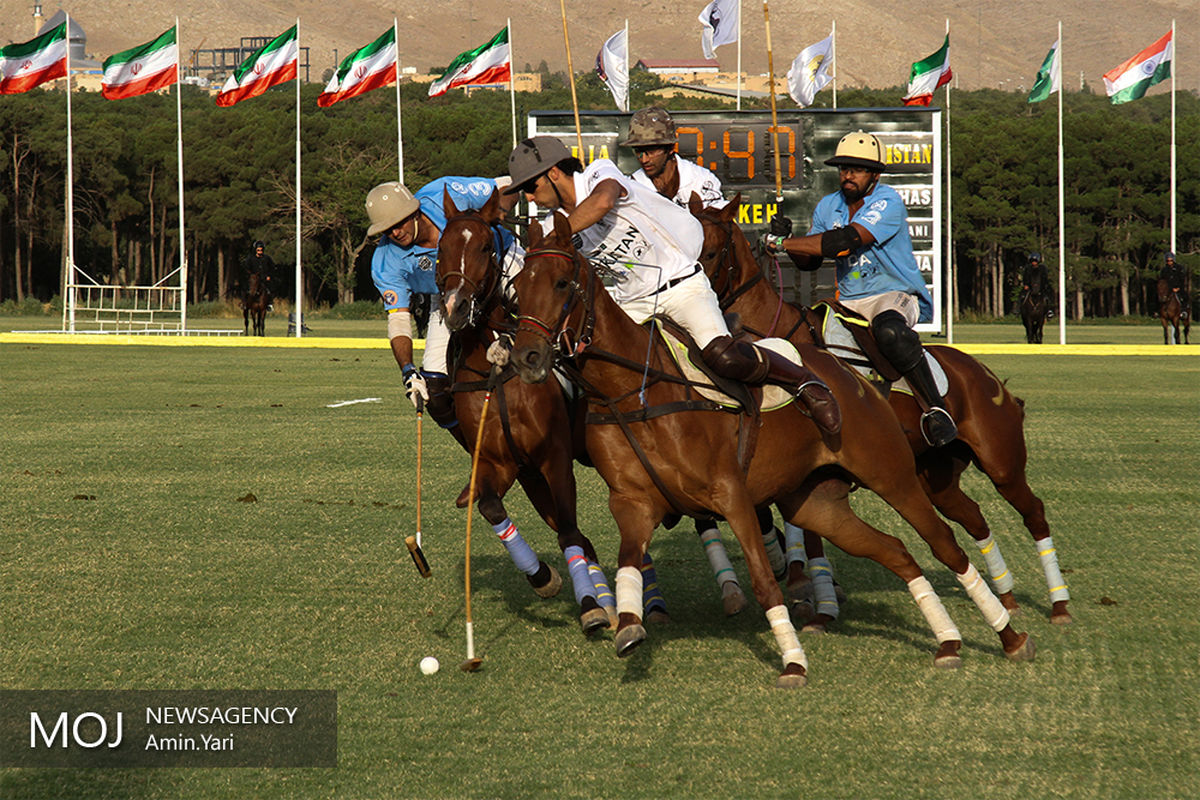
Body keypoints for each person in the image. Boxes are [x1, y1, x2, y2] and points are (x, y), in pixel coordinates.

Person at [504, 135, 840, 434]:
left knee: (722, 357)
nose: (529, 199)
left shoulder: (597, 174)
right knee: (592, 366)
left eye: (530, 188)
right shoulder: (552, 225)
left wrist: (559, 236)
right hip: (632, 302)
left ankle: (804, 380)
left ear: (553, 172)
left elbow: (604, 201)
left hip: (680, 285)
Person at [765, 130, 956, 447]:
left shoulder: (888, 201)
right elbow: (809, 263)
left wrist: (785, 244)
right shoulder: (829, 206)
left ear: (875, 174)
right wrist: (788, 238)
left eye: (857, 169)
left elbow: (845, 241)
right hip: (849, 300)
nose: (848, 175)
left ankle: (936, 409)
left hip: (895, 294)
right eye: (843, 168)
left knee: (890, 332)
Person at [365, 176, 520, 442]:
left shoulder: (442, 192)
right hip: (447, 294)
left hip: (501, 260)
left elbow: (507, 185)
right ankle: (479, 451)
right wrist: (407, 369)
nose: (395, 233)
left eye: (399, 222)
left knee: (544, 314)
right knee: (435, 392)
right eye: (386, 229)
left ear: (414, 211)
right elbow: (399, 320)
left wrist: (497, 214)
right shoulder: (386, 260)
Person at [622, 106, 727, 209]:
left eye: (651, 151)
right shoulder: (632, 187)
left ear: (671, 148)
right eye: (638, 151)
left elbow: (718, 221)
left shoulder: (701, 180)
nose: (644, 159)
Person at [1160, 251, 1189, 316]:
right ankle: (1157, 312)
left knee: (1184, 296)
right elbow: (1162, 280)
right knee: (1159, 297)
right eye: (1168, 261)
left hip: (1178, 287)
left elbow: (1182, 279)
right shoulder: (1164, 270)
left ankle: (1183, 311)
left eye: (1171, 260)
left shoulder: (1179, 268)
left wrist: (1178, 288)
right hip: (1168, 289)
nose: (1169, 262)